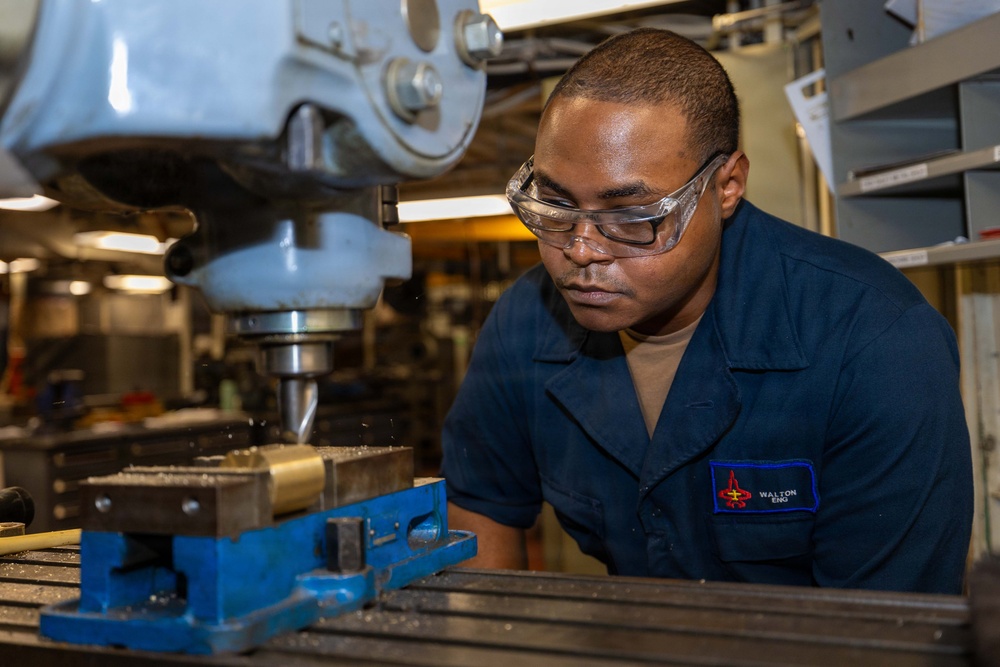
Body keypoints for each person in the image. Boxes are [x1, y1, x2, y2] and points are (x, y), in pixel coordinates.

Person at [439, 27, 973, 594]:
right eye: (555, 205)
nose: (580, 249)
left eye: (632, 215)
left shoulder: (876, 341)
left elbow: (890, 630)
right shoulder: (525, 323)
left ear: (727, 186)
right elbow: (481, 504)